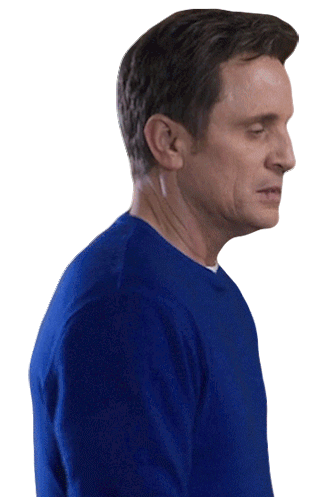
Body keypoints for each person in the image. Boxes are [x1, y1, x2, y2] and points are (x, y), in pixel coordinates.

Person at [29, 8, 298, 497]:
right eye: (257, 130)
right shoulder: (127, 309)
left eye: (284, 126)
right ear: (168, 142)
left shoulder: (205, 287)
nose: (286, 156)